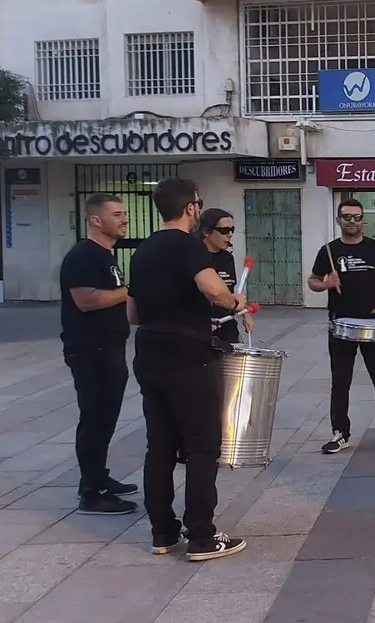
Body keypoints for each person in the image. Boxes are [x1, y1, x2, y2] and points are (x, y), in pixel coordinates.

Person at [128, 178, 247, 562]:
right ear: (191, 209)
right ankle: (201, 536)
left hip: (148, 350)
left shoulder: (143, 249)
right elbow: (213, 291)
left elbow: (132, 313)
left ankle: (162, 532)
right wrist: (233, 301)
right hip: (187, 355)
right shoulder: (188, 246)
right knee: (201, 447)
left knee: (159, 446)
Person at [59, 193, 139, 516]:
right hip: (91, 349)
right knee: (94, 418)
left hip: (110, 346)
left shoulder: (106, 255)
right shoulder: (83, 256)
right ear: (96, 220)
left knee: (106, 418)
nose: (124, 219)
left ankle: (98, 477)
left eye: (124, 213)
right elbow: (87, 300)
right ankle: (92, 493)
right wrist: (133, 289)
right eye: (117, 214)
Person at [308, 198, 375, 454]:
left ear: (363, 220)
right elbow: (312, 281)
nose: (352, 221)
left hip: (373, 321)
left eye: (356, 217)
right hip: (341, 323)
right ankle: (340, 433)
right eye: (347, 217)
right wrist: (326, 283)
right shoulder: (328, 250)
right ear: (339, 220)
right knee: (341, 382)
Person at [198, 208, 254, 346]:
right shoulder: (195, 256)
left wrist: (245, 312)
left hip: (226, 323)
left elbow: (231, 291)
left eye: (232, 230)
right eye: (224, 230)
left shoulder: (227, 257)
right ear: (206, 231)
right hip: (201, 328)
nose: (229, 235)